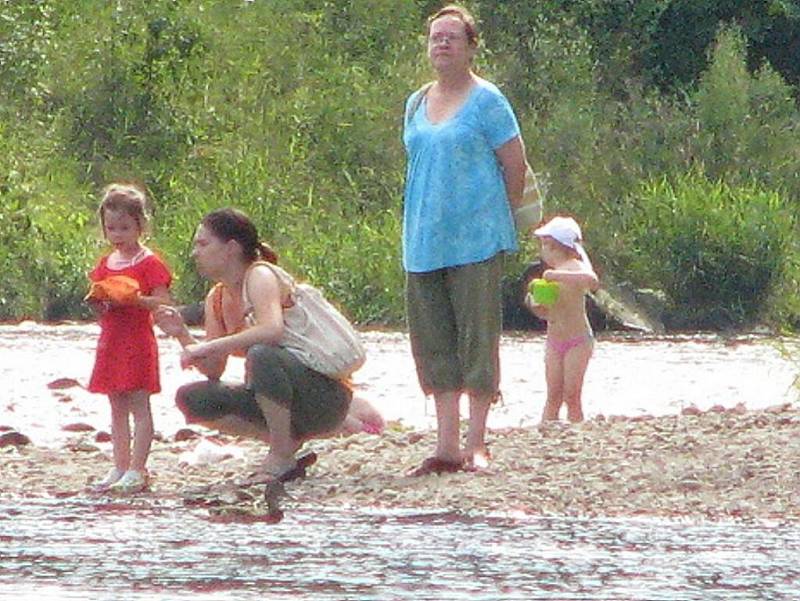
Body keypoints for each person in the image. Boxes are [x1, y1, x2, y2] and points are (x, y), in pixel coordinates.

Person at [154, 208, 383, 483]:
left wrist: (207, 347)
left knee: (262, 355)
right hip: (279, 394)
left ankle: (281, 453)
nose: (195, 253)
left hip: (325, 395)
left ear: (231, 248)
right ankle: (287, 441)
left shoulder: (260, 275)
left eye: (203, 244)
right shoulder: (216, 298)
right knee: (193, 398)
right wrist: (183, 336)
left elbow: (271, 330)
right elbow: (213, 370)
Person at [402, 5, 528, 475]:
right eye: (436, 37)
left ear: (471, 46)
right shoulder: (416, 102)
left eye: (453, 37)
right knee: (433, 343)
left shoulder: (488, 101)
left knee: (477, 340)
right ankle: (445, 445)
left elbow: (515, 165)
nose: (443, 44)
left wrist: (502, 220)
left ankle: (477, 442)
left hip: (476, 239)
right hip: (422, 240)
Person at [87, 183, 173, 493]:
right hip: (111, 339)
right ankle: (120, 465)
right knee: (116, 406)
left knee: (140, 405)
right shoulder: (105, 264)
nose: (118, 234)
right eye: (111, 228)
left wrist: (135, 299)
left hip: (137, 340)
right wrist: (100, 301)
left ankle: (138, 468)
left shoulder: (150, 263)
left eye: (124, 227)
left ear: (140, 225)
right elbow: (99, 307)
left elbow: (164, 302)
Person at [525, 216, 599, 422]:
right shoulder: (550, 275)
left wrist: (558, 277)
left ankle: (576, 427)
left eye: (545, 246)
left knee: (571, 395)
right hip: (554, 340)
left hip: (578, 341)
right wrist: (534, 302)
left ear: (556, 247)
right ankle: (546, 428)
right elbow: (546, 313)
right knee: (553, 395)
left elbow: (592, 281)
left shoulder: (574, 267)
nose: (542, 251)